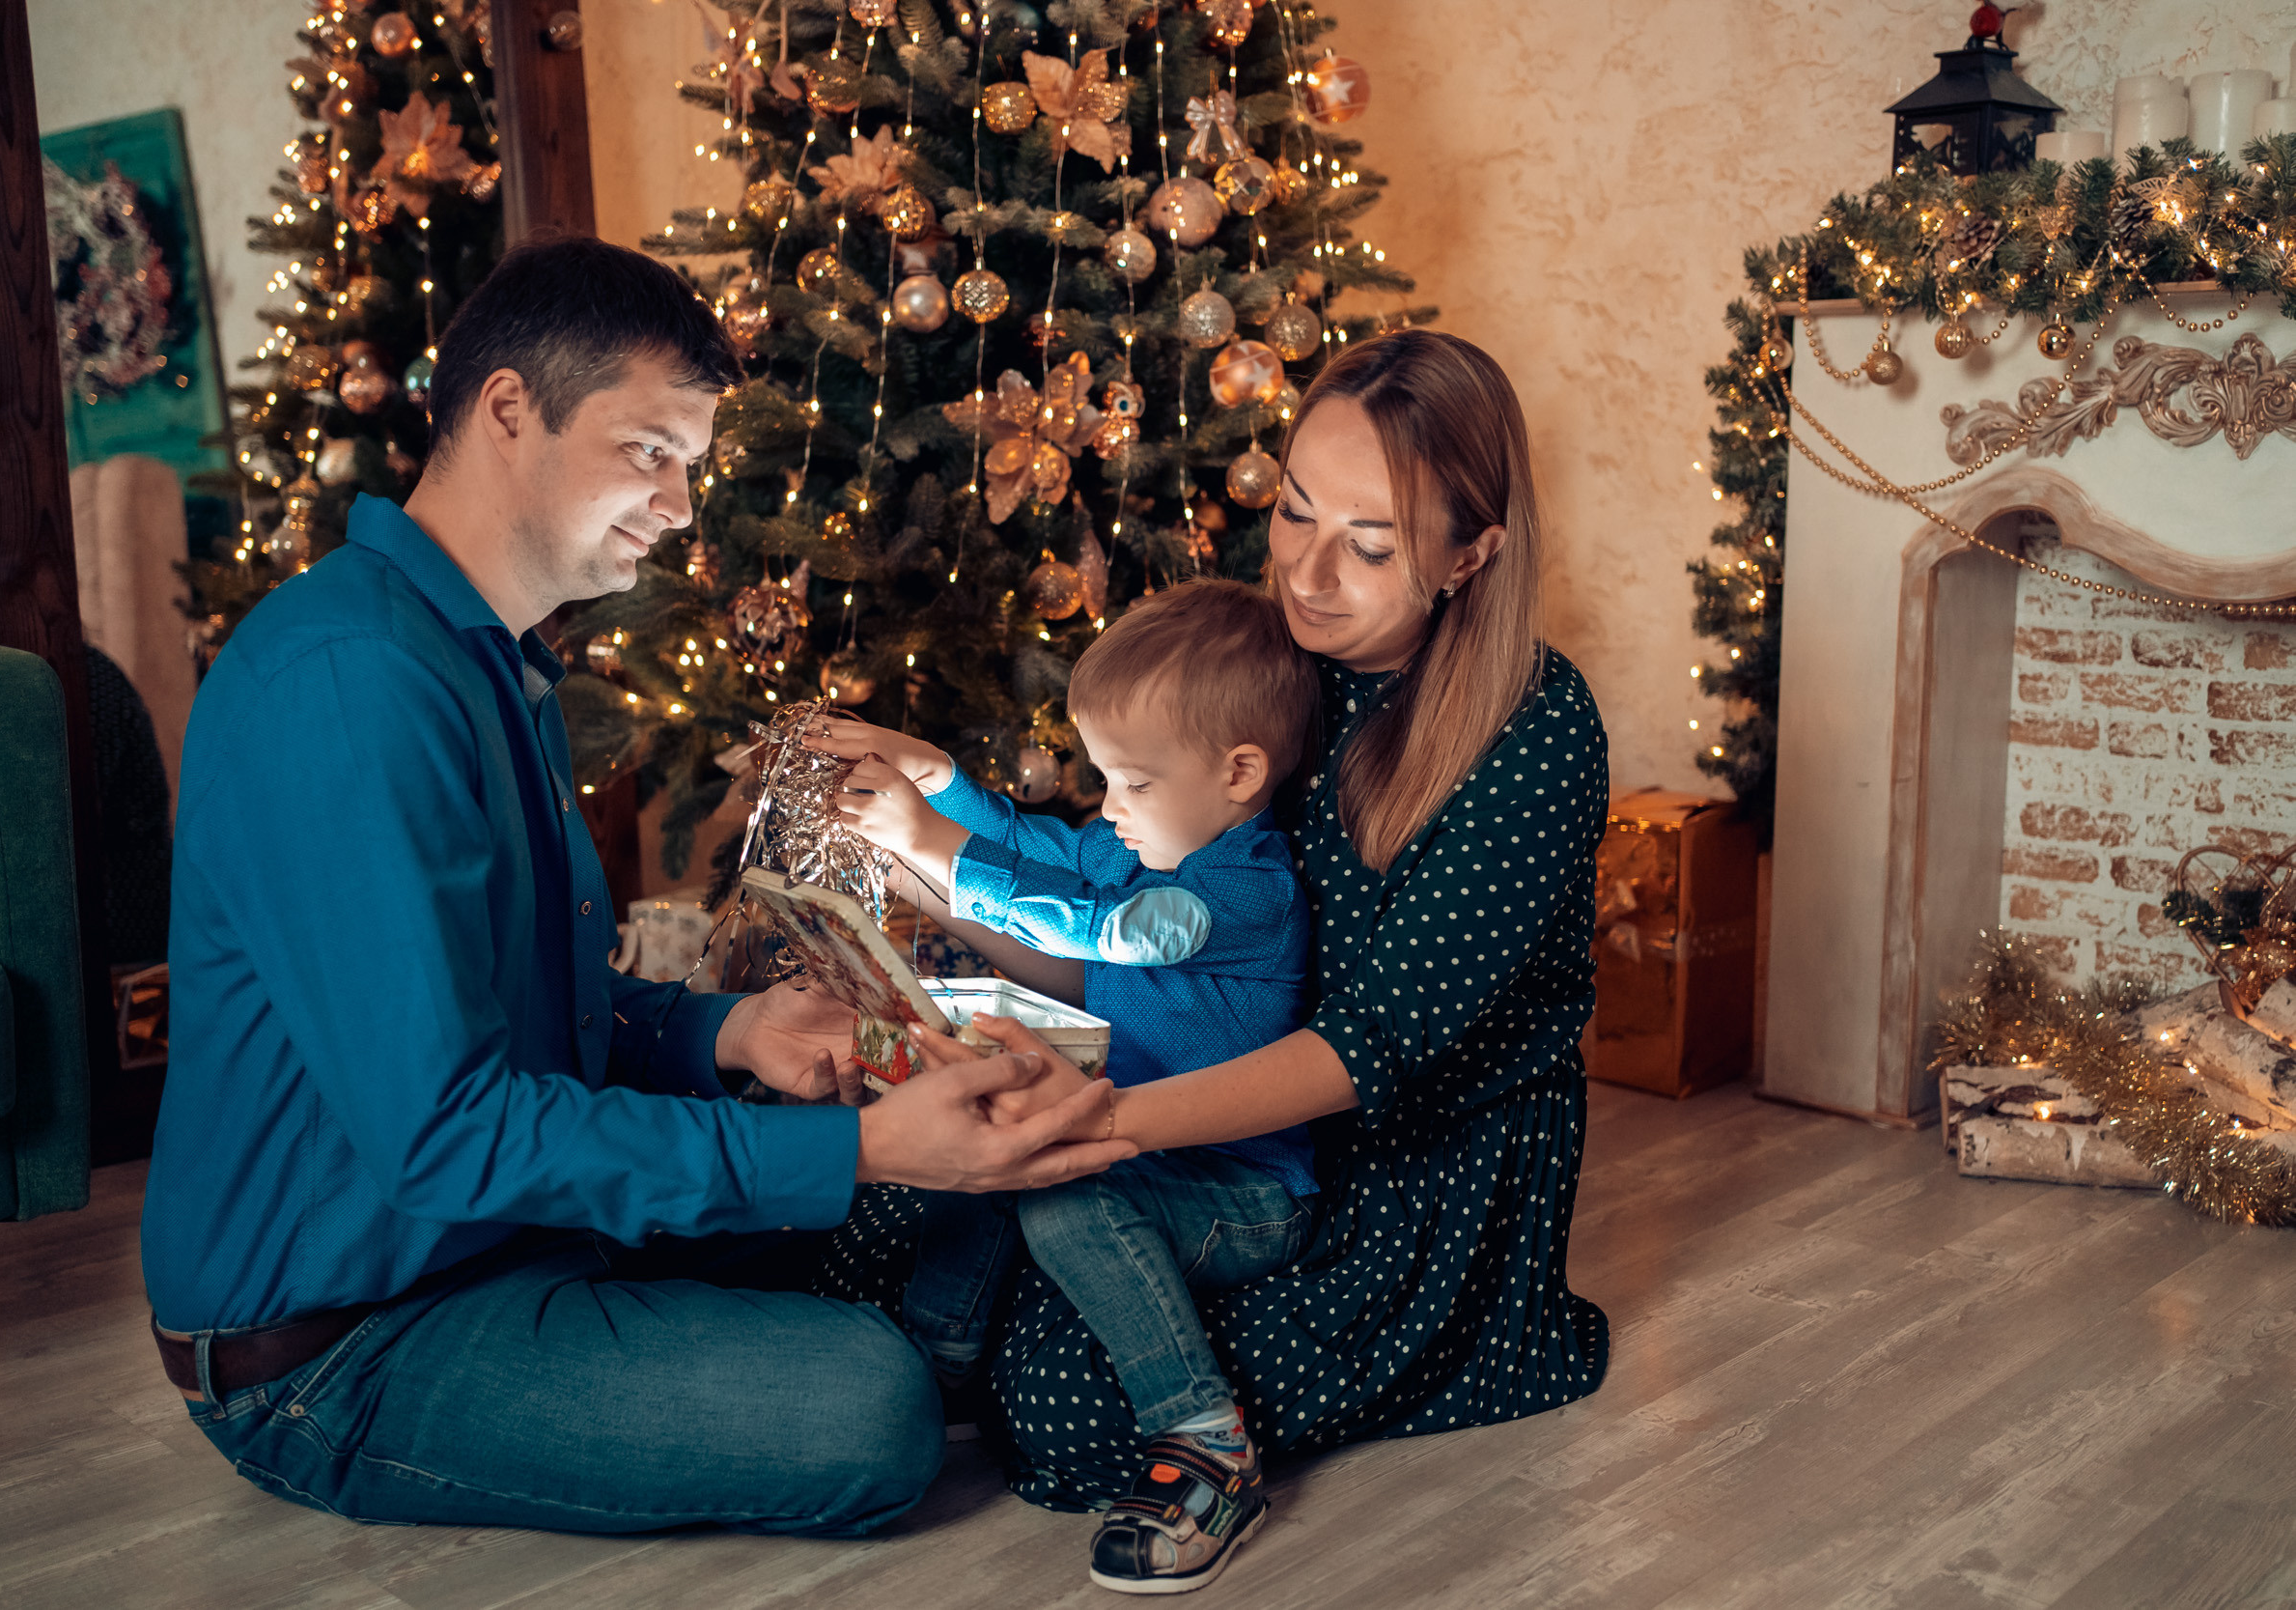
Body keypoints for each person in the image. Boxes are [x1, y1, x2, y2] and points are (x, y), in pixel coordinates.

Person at [139, 236, 1129, 1538]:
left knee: (947, 1190)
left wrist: (733, 1029)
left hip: (506, 1240)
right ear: (508, 409)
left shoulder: (490, 663)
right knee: (865, 1410)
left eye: (690, 465)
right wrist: (861, 1142)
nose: (678, 503)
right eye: (648, 450)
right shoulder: (352, 681)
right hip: (342, 1339)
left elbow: (532, 1007)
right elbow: (450, 1129)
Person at [819, 327, 1612, 1515]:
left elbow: (1370, 1048)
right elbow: (1114, 933)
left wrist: (1102, 1123)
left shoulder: (1530, 732)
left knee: (1059, 1402)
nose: (1306, 572)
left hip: (1401, 1173)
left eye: (1371, 543)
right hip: (1202, 1116)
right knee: (897, 1210)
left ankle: (1197, 1435)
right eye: (1295, 511)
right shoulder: (1266, 667)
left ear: (1470, 553)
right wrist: (918, 856)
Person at [813, 579, 1318, 1593]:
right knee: (1000, 1131)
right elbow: (1050, 846)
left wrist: (932, 845)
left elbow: (1097, 926)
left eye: (1129, 781)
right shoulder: (1146, 838)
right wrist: (942, 780)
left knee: (1062, 1179)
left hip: (1242, 1193)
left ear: (1239, 771)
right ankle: (937, 1359)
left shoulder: (1237, 890)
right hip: (1142, 1147)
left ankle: (1207, 1441)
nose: (1109, 806)